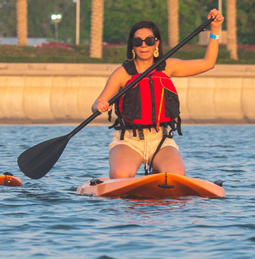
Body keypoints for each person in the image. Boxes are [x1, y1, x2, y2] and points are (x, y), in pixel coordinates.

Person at [91, 9, 224, 179]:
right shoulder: (123, 73)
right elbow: (96, 104)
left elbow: (208, 63)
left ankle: (157, 173)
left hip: (160, 140)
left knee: (176, 175)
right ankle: (123, 178)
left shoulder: (168, 67)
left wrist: (214, 30)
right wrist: (100, 105)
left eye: (149, 41)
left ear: (156, 44)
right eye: (138, 41)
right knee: (121, 173)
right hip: (129, 141)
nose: (143, 45)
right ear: (132, 45)